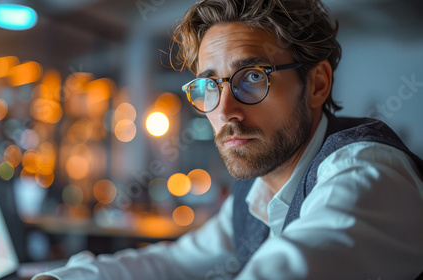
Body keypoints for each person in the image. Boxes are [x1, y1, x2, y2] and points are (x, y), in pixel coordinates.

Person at [34, 0, 423, 279]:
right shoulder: (255, 190)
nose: (225, 112)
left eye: (253, 77)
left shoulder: (365, 170)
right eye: (208, 85)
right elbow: (176, 262)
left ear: (317, 84)